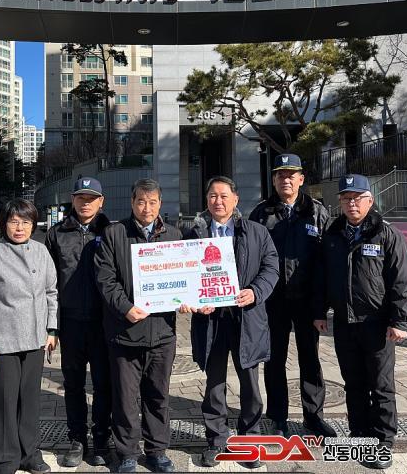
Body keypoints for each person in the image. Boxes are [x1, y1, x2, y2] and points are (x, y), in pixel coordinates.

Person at [314, 174, 407, 470]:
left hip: (377, 324)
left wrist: (400, 320)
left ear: (370, 201)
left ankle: (383, 441)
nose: (352, 203)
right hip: (344, 323)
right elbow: (323, 278)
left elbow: (402, 280)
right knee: (354, 384)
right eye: (346, 198)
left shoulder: (386, 234)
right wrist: (319, 311)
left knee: (381, 385)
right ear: (340, 202)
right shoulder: (333, 235)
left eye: (358, 198)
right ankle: (360, 435)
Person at [181, 176, 279, 469]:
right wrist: (192, 299)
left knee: (250, 384)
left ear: (236, 199)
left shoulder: (256, 232)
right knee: (214, 383)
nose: (218, 201)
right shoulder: (194, 235)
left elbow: (271, 267)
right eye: (212, 196)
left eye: (224, 196)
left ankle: (249, 440)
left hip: (246, 318)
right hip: (211, 320)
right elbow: (185, 274)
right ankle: (216, 440)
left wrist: (255, 291)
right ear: (206, 200)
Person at [95, 178, 182, 473]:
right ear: (132, 203)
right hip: (124, 333)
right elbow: (105, 279)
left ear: (160, 204)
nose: (147, 208)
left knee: (158, 396)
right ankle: (128, 453)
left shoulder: (173, 235)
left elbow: (184, 277)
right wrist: (125, 308)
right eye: (141, 202)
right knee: (125, 399)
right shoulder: (114, 233)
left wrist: (186, 298)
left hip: (162, 333)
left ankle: (157, 450)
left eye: (152, 202)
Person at [249, 154, 336, 438]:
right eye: (280, 175)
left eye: (291, 175)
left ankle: (314, 417)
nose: (285, 179)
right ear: (274, 180)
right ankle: (277, 418)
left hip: (307, 301)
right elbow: (251, 258)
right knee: (274, 360)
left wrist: (322, 305)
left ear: (301, 179)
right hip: (273, 301)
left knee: (310, 359)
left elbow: (326, 261)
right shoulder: (261, 214)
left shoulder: (317, 212)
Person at [0, 199, 58, 474]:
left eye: (26, 222)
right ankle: (4, 461)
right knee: (4, 402)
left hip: (36, 339)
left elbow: (51, 292)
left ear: (33, 225)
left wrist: (52, 329)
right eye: (13, 221)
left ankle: (30, 454)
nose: (19, 227)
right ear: (4, 224)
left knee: (30, 400)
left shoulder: (42, 252)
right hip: (3, 342)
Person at [45, 177, 112, 467]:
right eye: (81, 197)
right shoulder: (56, 234)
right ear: (72, 200)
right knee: (72, 385)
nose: (86, 203)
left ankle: (101, 438)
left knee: (104, 384)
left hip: (103, 322)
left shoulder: (112, 231)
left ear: (101, 201)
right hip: (70, 322)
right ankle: (77, 439)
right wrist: (51, 326)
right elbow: (47, 283)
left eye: (91, 198)